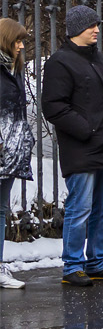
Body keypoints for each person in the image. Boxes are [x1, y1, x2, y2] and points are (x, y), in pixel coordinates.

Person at [41, 5, 103, 287]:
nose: (96, 30)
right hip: (82, 149)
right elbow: (54, 107)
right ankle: (72, 265)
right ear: (75, 29)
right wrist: (87, 130)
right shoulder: (60, 62)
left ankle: (97, 262)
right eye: (90, 25)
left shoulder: (101, 60)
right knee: (80, 209)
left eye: (96, 25)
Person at [0, 18, 35, 289]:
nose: (21, 46)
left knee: (1, 210)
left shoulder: (13, 70)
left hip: (10, 154)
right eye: (17, 41)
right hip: (3, 150)